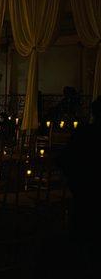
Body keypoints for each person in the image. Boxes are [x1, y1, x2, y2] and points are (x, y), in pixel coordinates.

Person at [58, 97, 101, 277]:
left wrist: (74, 181)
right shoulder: (86, 134)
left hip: (84, 193)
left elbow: (64, 160)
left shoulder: (84, 134)